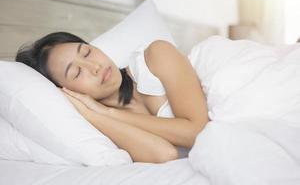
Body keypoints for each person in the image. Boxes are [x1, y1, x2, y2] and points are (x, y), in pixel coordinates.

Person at [15, 32, 209, 163]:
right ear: (68, 91)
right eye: (76, 72)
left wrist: (106, 112)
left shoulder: (155, 56)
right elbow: (165, 155)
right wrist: (94, 116)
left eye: (87, 52)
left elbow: (199, 133)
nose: (95, 67)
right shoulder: (97, 127)